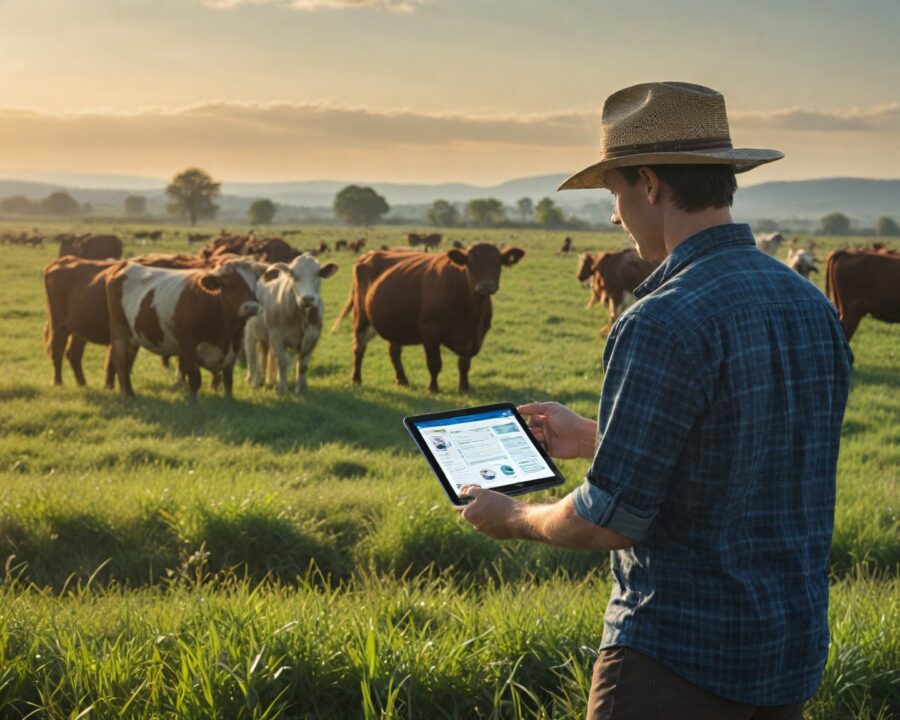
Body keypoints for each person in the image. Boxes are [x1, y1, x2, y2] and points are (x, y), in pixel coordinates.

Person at [456, 82, 853, 719]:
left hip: (676, 657)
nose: (614, 216)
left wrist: (513, 516)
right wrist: (596, 437)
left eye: (614, 193)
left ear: (647, 184)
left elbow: (606, 521)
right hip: (787, 653)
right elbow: (750, 445)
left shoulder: (660, 319)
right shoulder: (808, 303)